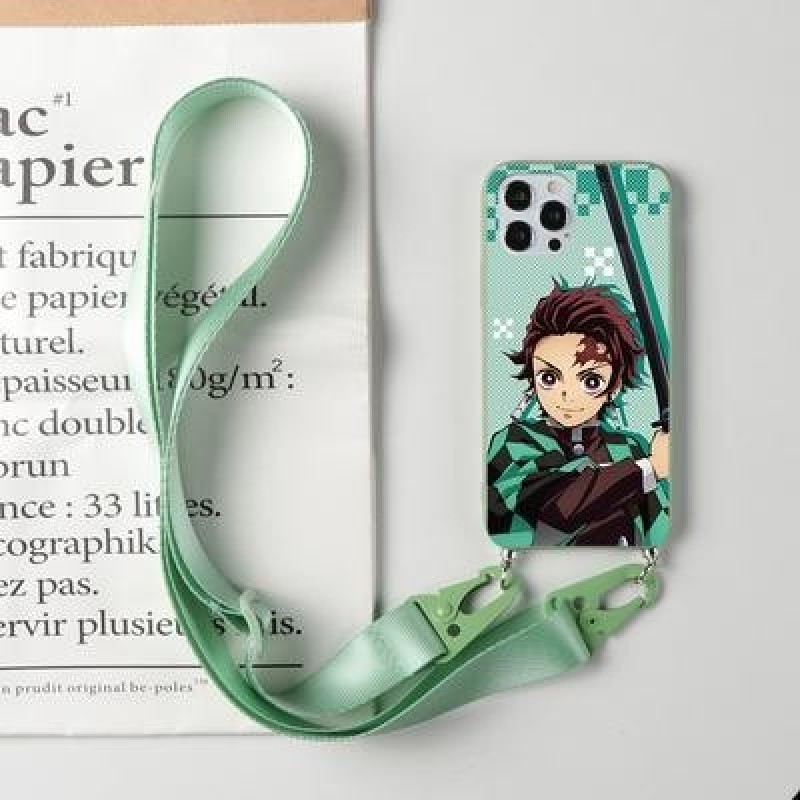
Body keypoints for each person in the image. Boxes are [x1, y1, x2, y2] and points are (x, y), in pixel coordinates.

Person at [487, 281, 669, 548]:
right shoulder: (514, 441)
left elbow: (658, 528)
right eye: (549, 378)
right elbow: (557, 506)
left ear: (614, 386)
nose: (567, 395)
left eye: (590, 381)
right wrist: (650, 469)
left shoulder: (629, 447)